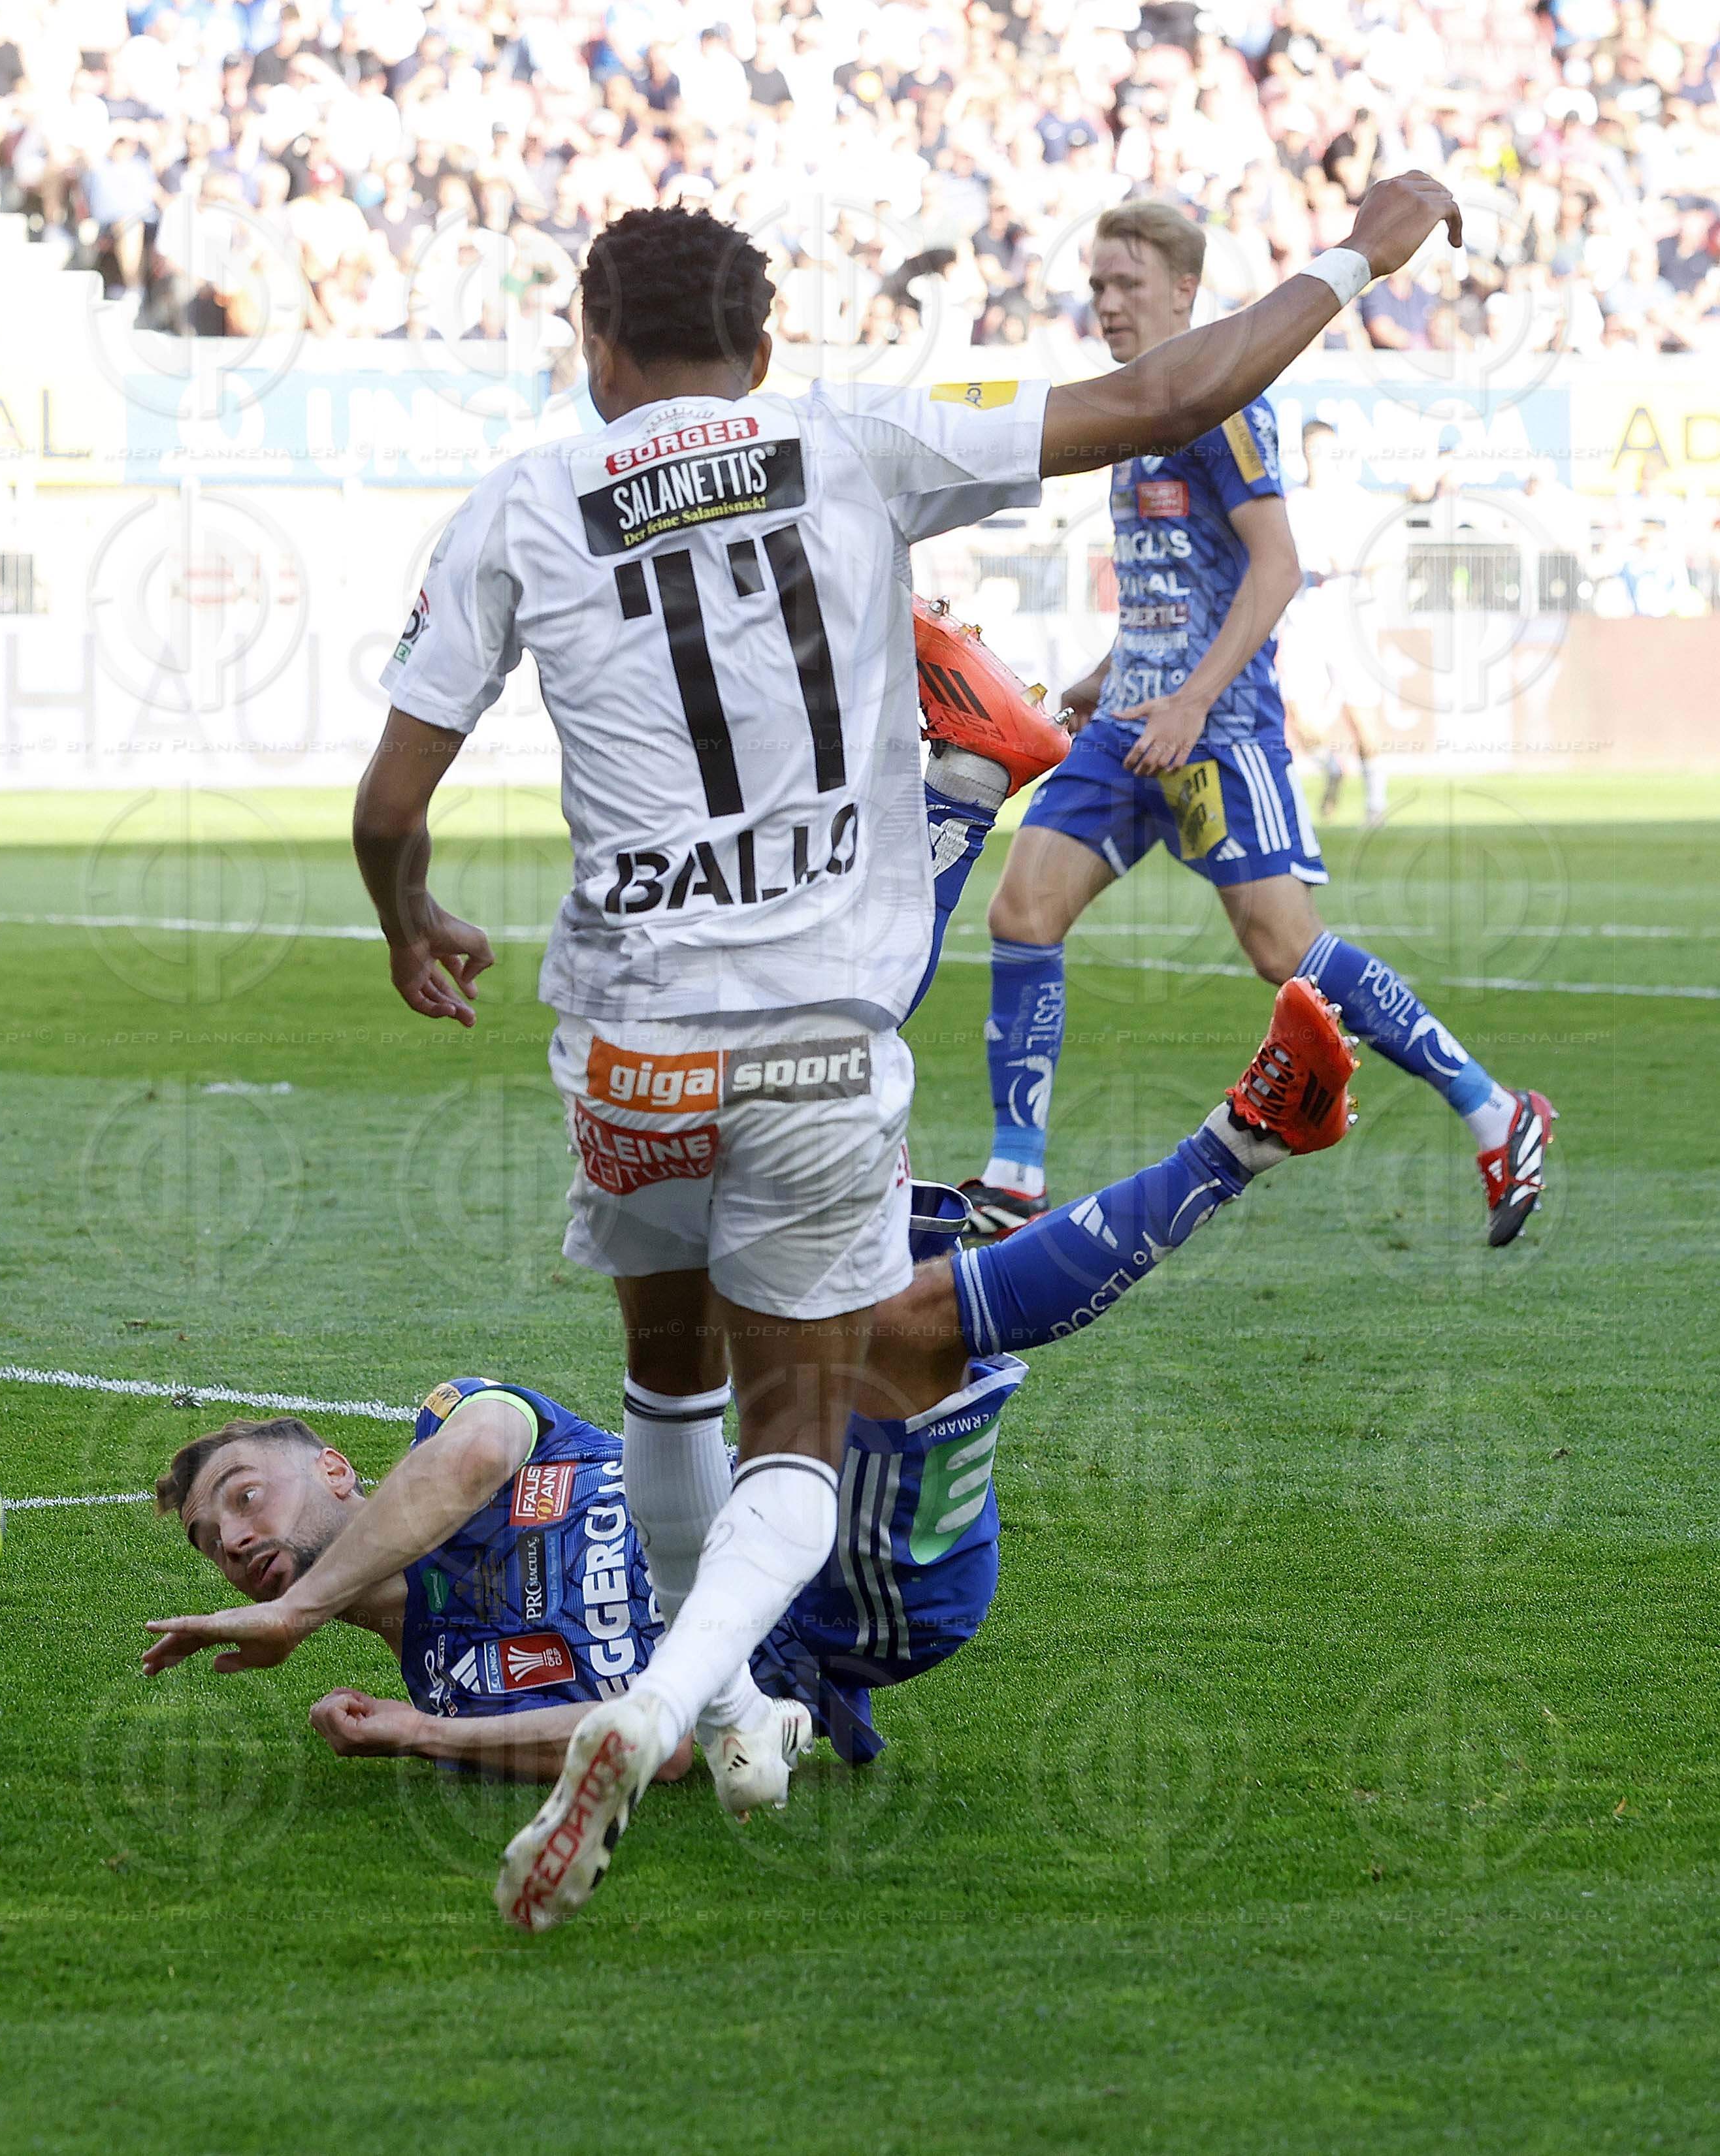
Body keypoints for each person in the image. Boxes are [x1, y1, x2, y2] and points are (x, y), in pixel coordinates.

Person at [319, 179, 1452, 1931]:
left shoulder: (516, 503)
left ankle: (730, 1696)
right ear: (762, 347)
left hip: (628, 1042)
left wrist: (409, 917)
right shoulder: (847, 435)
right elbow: (1167, 396)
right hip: (816, 1041)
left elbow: (389, 803)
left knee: (666, 1393)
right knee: (797, 1414)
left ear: (595, 348)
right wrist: (1357, 251)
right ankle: (664, 1692)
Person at [146, 977, 1365, 1816]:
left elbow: (482, 1438)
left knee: (809, 1127)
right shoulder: (449, 1687)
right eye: (215, 1538)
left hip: (788, 1456)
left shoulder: (453, 1432)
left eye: (245, 1494)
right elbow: (658, 1748)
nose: (237, 1536)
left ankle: (956, 793)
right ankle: (1250, 1134)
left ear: (339, 1472)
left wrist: (303, 1603)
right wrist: (418, 1736)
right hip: (842, 1604)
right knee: (900, 1324)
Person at [964, 201, 1552, 1256]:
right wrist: (1099, 681)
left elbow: (1276, 566)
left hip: (1217, 731)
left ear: (1184, 290)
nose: (1103, 302)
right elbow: (1174, 585)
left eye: (1124, 283)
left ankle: (1495, 1110)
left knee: (1284, 950)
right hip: (1129, 727)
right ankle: (1013, 1174)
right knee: (1020, 910)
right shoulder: (1130, 414)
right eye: (1095, 284)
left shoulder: (1223, 402)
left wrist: (1191, 699)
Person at [1275, 419, 1393, 825]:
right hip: (1303, 617)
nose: (1319, 457)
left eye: (1327, 449)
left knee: (1362, 716)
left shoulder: (1358, 502)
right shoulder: (1292, 504)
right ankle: (1331, 768)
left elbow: (1390, 553)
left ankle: (1375, 805)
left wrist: (1354, 564)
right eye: (1313, 449)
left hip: (1350, 618)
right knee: (1299, 717)